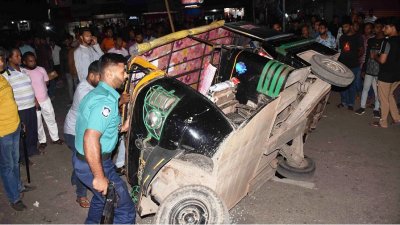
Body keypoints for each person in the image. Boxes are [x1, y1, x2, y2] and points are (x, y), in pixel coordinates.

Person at [73, 53, 135, 223]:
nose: (126, 76)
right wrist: (99, 177)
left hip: (89, 160)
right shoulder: (105, 102)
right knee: (124, 208)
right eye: (123, 72)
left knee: (101, 201)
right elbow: (90, 138)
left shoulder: (98, 94)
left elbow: (99, 129)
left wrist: (122, 128)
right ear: (109, 74)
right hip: (94, 162)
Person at [0, 48, 34, 211]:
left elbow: (10, 100)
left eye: (1, 59)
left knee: (15, 161)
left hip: (14, 125)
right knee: (7, 165)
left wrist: (19, 121)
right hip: (2, 131)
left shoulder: (2, 78)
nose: (1, 63)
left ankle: (19, 186)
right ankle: (14, 197)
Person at [64, 61, 101, 208]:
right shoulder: (83, 90)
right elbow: (97, 109)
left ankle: (75, 177)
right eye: (100, 77)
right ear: (92, 75)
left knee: (79, 160)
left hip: (81, 129)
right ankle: (81, 195)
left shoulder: (92, 86)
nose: (103, 81)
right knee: (85, 162)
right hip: (74, 131)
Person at [22, 52, 64, 152]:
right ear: (24, 62)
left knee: (51, 118)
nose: (33, 63)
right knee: (38, 122)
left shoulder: (41, 69)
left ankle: (55, 138)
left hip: (45, 99)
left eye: (34, 60)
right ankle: (42, 141)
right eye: (30, 61)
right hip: (33, 102)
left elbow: (46, 82)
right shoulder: (23, 72)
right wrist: (34, 99)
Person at [3, 48, 39, 159]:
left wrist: (35, 99)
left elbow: (30, 86)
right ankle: (22, 157)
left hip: (30, 105)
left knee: (33, 129)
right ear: (9, 58)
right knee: (23, 133)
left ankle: (32, 150)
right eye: (16, 56)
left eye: (20, 55)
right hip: (20, 108)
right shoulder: (5, 74)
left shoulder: (23, 70)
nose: (19, 58)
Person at [371, 17, 400, 128]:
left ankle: (383, 122)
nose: (383, 29)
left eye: (385, 27)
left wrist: (375, 56)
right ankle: (397, 118)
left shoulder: (386, 42)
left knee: (383, 98)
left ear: (393, 27)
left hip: (386, 75)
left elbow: (382, 60)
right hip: (397, 75)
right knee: (389, 95)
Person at [355, 20, 385, 118]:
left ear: (382, 28)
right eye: (375, 27)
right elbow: (367, 55)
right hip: (369, 69)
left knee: (378, 92)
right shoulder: (371, 40)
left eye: (378, 27)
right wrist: (364, 69)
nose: (375, 29)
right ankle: (362, 107)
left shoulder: (385, 41)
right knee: (365, 88)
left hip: (380, 70)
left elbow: (384, 58)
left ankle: (376, 109)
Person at [337, 18, 364, 111]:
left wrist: (354, 57)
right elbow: (341, 50)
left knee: (351, 85)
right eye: (343, 27)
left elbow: (361, 50)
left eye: (346, 26)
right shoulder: (342, 38)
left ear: (351, 26)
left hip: (354, 65)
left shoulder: (358, 37)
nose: (344, 29)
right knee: (342, 85)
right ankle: (343, 101)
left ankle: (350, 103)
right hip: (343, 64)